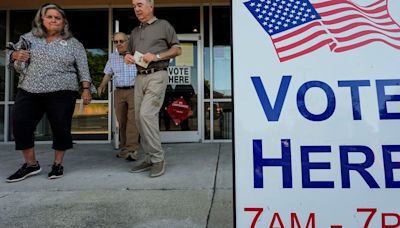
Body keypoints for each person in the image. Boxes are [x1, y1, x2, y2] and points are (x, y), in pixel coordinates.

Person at [6, 3, 93, 182]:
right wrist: (14, 56)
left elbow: (83, 67)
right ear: (42, 20)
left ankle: (57, 164)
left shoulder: (73, 43)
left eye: (57, 18)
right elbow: (10, 56)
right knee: (20, 123)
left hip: (62, 89)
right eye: (50, 17)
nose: (53, 20)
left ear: (64, 23)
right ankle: (31, 164)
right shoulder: (28, 38)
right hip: (29, 88)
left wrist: (86, 89)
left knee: (60, 127)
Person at [124, 0, 181, 177]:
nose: (136, 9)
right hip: (139, 77)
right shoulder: (134, 31)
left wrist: (156, 56)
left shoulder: (163, 25)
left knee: (146, 114)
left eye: (140, 4)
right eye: (134, 6)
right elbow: (129, 52)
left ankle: (158, 158)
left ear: (151, 6)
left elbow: (177, 49)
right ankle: (149, 157)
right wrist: (127, 56)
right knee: (139, 119)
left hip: (158, 74)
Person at [98, 32, 139, 161]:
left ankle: (132, 150)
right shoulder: (112, 57)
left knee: (133, 121)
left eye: (122, 41)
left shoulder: (136, 55)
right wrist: (102, 85)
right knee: (122, 122)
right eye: (116, 41)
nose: (119, 44)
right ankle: (125, 148)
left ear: (128, 41)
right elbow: (108, 73)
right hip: (119, 92)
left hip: (134, 91)